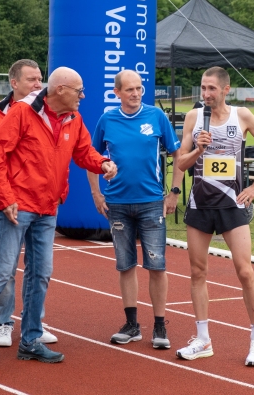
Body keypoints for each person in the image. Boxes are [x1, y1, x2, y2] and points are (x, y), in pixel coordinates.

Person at [0, 66, 117, 368]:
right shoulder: (21, 112)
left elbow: (84, 152)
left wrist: (103, 163)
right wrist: (4, 198)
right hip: (17, 207)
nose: (83, 96)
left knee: (41, 274)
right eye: (79, 91)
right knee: (1, 272)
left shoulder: (74, 118)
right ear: (60, 90)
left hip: (48, 208)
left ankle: (31, 340)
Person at [175, 66, 254, 367]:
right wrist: (198, 149)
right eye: (203, 88)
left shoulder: (242, 116)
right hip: (200, 204)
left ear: (225, 89)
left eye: (211, 88)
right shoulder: (194, 118)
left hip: (232, 205)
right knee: (197, 272)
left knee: (244, 271)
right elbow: (181, 163)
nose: (206, 93)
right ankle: (203, 339)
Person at [87, 70, 184, 350]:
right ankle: (132, 325)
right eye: (129, 89)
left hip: (151, 203)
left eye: (139, 88)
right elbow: (91, 157)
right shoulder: (107, 120)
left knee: (157, 265)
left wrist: (174, 192)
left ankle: (160, 325)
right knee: (125, 265)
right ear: (117, 92)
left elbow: (178, 154)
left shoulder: (156, 116)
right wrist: (96, 193)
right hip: (116, 204)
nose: (136, 93)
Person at [0, 59, 57, 348]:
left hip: (40, 205)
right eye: (31, 79)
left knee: (39, 269)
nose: (37, 84)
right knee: (5, 269)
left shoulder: (46, 113)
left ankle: (34, 324)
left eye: (40, 79)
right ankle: (3, 322)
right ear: (14, 83)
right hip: (8, 205)